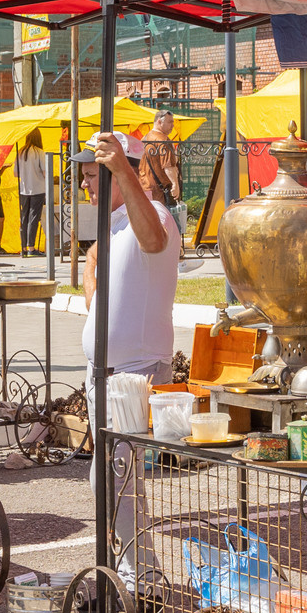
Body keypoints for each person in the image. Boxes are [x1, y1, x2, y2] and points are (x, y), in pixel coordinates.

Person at [81, 131, 182, 417]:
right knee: (105, 462)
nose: (83, 183)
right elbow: (93, 257)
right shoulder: (115, 223)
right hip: (102, 373)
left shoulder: (156, 212)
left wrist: (123, 170)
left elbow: (153, 241)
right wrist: (95, 304)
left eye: (91, 175)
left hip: (138, 372)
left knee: (127, 463)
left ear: (119, 173)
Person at [17, 129, 52, 258]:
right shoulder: (39, 152)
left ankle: (24, 248)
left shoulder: (20, 152)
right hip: (38, 189)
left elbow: (16, 173)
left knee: (24, 218)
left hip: (23, 189)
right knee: (34, 218)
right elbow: (45, 172)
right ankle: (31, 248)